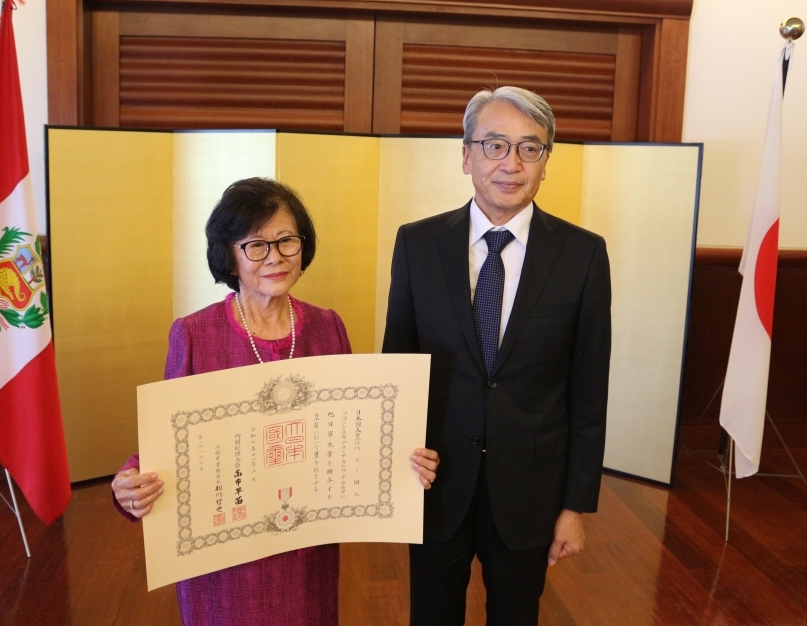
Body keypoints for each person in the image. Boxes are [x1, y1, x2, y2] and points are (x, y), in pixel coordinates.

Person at [110, 177, 439, 626]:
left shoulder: (328, 327)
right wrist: (131, 482)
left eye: (287, 240)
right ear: (229, 255)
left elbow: (351, 432)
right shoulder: (194, 334)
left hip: (307, 544)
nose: (275, 257)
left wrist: (405, 460)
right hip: (225, 548)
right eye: (256, 245)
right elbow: (168, 441)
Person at [382, 87, 611, 626]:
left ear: (546, 162)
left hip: (530, 490)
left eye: (530, 148)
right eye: (495, 145)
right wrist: (392, 470)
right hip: (435, 482)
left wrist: (574, 506)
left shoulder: (582, 254)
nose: (511, 164)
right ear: (466, 155)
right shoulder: (417, 244)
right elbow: (397, 366)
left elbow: (589, 389)